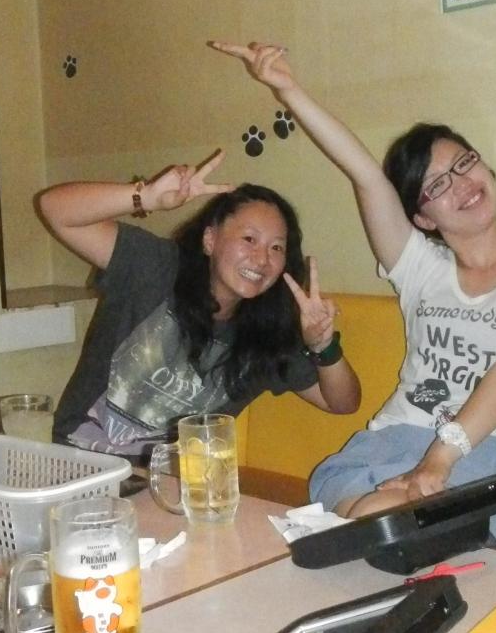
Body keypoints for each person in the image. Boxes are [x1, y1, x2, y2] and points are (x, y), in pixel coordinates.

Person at [209, 41, 496, 548]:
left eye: (464, 164)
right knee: (383, 524)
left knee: (384, 527)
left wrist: (438, 461)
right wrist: (289, 90)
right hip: (383, 448)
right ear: (421, 218)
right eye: (437, 185)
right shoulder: (420, 267)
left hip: (474, 459)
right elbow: (366, 175)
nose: (461, 184)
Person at [38, 150, 361, 460]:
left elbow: (343, 403)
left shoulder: (268, 334)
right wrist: (144, 197)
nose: (262, 258)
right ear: (210, 240)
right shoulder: (157, 268)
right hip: (81, 465)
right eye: (249, 239)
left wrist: (323, 346)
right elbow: (55, 209)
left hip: (176, 483)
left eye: (276, 247)